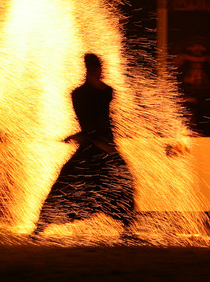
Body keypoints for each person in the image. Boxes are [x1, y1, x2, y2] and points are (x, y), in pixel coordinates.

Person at [32, 53, 137, 241]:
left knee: (121, 183)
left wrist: (85, 137)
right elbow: (90, 123)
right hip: (96, 147)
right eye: (97, 68)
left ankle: (127, 228)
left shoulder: (104, 92)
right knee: (69, 184)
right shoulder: (82, 94)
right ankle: (41, 227)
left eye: (100, 67)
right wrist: (89, 138)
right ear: (91, 69)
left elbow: (102, 122)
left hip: (102, 146)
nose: (100, 71)